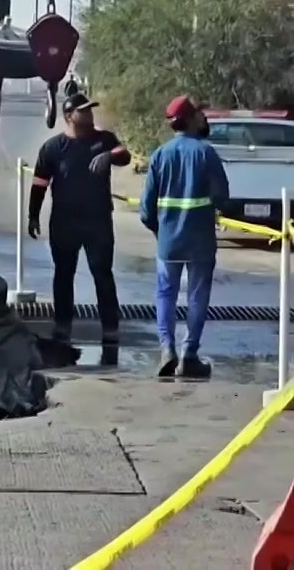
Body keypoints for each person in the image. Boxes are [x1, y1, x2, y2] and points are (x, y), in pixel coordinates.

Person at [28, 92, 132, 348]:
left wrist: (109, 156)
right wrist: (33, 214)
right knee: (63, 275)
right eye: (82, 111)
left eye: (90, 110)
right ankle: (62, 327)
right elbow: (40, 183)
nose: (88, 114)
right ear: (68, 116)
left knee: (102, 274)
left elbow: (124, 154)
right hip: (64, 223)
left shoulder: (104, 140)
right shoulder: (52, 148)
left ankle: (110, 329)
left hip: (98, 222)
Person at [139, 95, 229, 379]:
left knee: (165, 293)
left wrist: (159, 230)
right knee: (197, 295)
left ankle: (167, 349)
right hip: (200, 240)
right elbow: (222, 197)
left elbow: (146, 208)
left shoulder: (160, 155)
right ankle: (189, 354)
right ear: (190, 119)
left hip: (169, 240)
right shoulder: (206, 153)